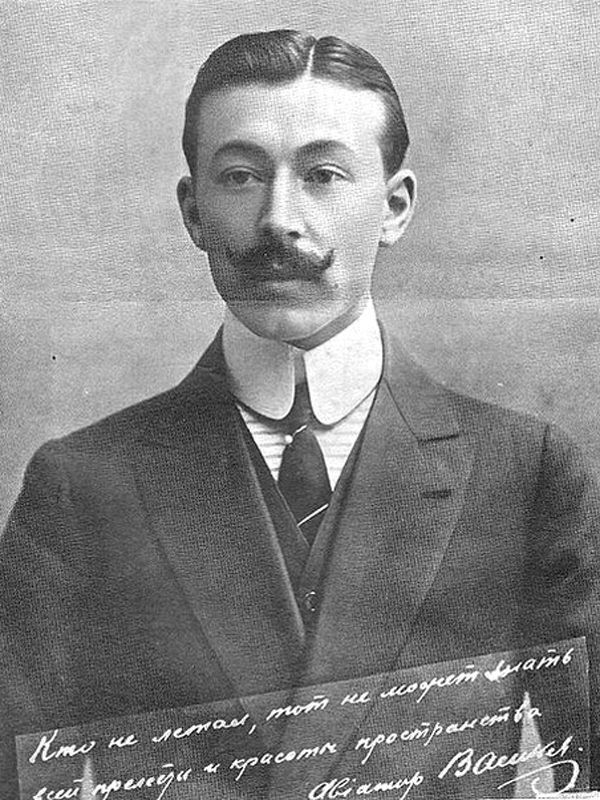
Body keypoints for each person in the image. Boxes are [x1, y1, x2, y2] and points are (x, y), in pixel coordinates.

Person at [1, 29, 599, 798]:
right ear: (193, 211)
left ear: (393, 207)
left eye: (322, 175)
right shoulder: (83, 487)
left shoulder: (527, 473)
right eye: (242, 176)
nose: (278, 219)